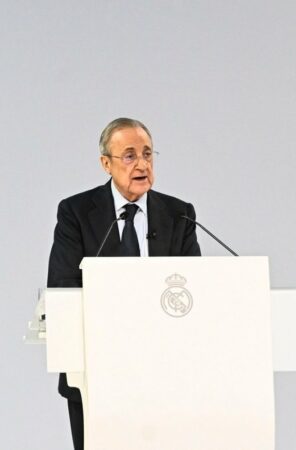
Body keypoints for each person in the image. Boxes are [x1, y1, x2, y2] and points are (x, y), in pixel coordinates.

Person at [47, 117, 201, 450]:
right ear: (106, 163)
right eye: (129, 156)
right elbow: (63, 285)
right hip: (96, 372)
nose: (142, 163)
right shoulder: (75, 212)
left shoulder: (180, 214)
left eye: (147, 154)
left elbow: (194, 290)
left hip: (165, 372)